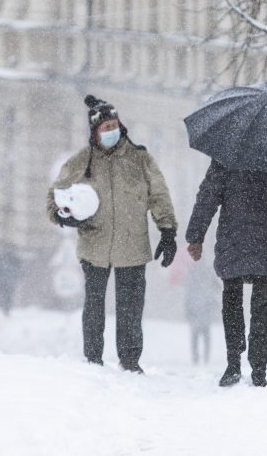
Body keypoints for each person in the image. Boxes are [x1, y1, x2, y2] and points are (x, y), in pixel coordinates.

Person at [48, 95, 178, 373]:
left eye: (114, 126)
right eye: (105, 128)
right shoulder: (81, 162)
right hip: (94, 245)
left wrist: (167, 231)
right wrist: (62, 215)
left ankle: (130, 360)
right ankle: (93, 357)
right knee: (94, 304)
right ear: (94, 131)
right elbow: (56, 195)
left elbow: (159, 195)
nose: (111, 132)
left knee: (130, 307)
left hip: (132, 246)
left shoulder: (140, 159)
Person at [186, 160, 267, 387]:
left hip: (234, 239)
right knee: (261, 305)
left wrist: (196, 235)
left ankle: (234, 363)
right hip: (266, 240)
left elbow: (208, 195)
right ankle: (258, 369)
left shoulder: (227, 153)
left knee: (232, 302)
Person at [183, 263, 220, 364]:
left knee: (196, 336)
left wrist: (188, 311)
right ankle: (204, 357)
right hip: (203, 311)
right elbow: (216, 288)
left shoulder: (192, 276)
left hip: (198, 310)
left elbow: (187, 296)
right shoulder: (207, 275)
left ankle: (197, 358)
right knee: (204, 336)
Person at [0, 247, 22, 316]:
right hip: (7, 281)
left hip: (5, 281)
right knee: (8, 295)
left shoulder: (1, 258)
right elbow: (18, 269)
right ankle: (6, 308)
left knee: (6, 295)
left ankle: (6, 308)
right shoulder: (13, 259)